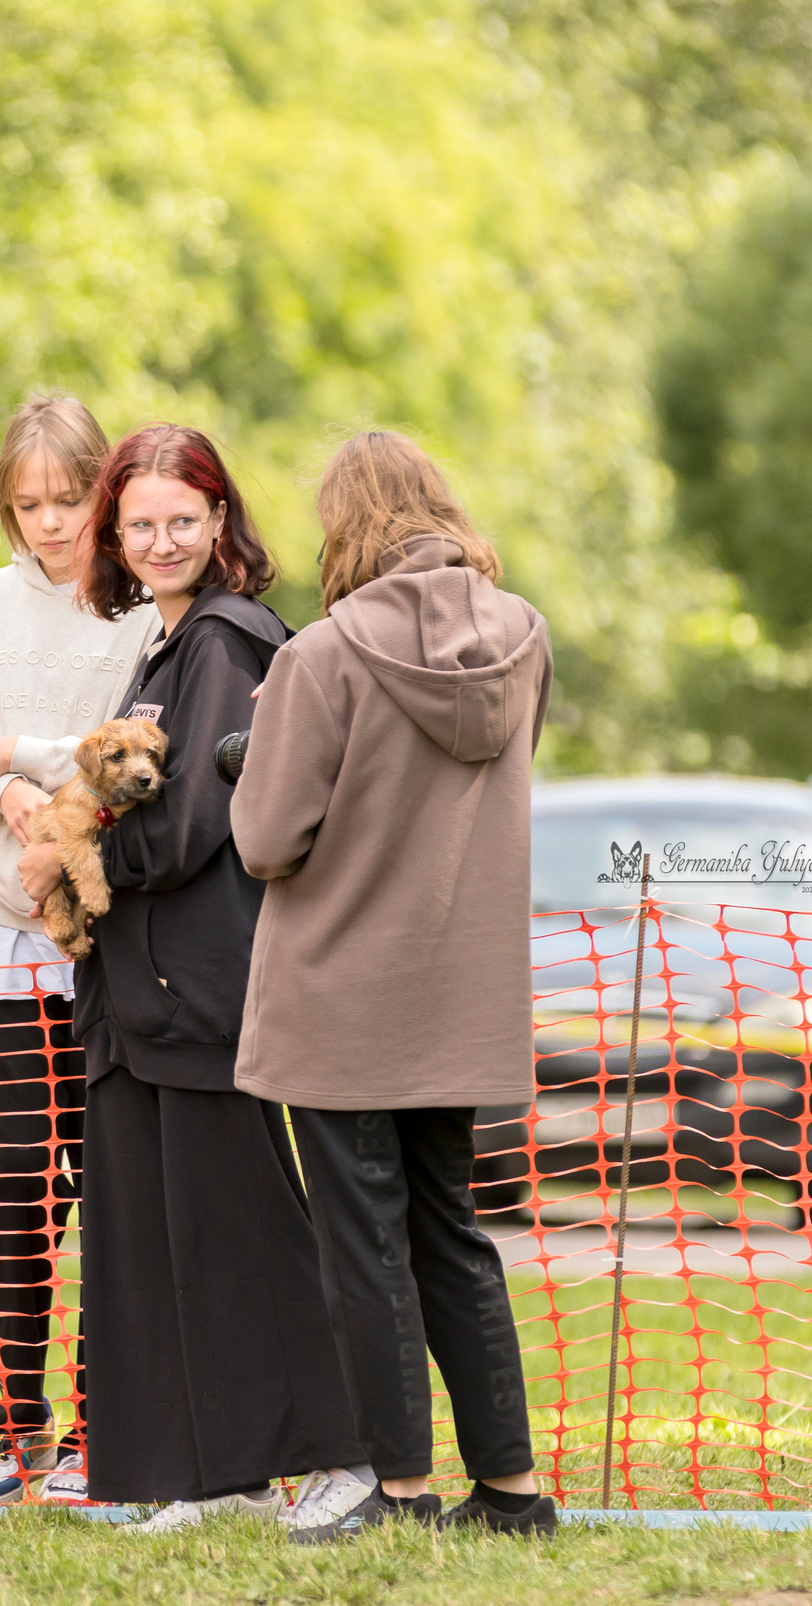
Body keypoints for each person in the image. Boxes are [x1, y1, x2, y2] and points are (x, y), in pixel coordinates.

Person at [18, 423, 363, 1533]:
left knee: (244, 1234)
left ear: (220, 522)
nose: (159, 540)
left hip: (205, 992)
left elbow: (191, 830)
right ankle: (220, 1473)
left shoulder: (225, 641)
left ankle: (345, 1459)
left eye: (181, 518)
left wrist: (72, 860)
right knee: (165, 1241)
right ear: (114, 533)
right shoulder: (161, 646)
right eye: (140, 523)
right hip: (139, 997)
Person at [229, 431, 558, 1541]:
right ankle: (510, 1488)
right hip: (459, 993)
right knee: (450, 1230)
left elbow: (268, 837)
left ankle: (398, 1487)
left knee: (360, 1240)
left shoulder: (319, 658)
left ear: (345, 525)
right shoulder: (524, 640)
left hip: (339, 993)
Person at [0, 394, 157, 1504]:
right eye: (29, 506)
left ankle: (104, 1411)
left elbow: (143, 755)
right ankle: (17, 1412)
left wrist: (27, 763)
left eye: (69, 500)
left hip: (106, 928)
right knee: (20, 1167)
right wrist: (7, 789)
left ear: (102, 494)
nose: (51, 525)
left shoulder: (140, 610)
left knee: (106, 1167)